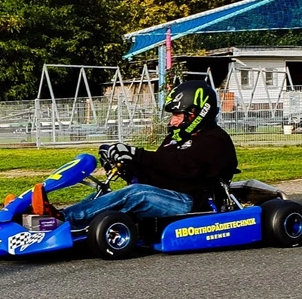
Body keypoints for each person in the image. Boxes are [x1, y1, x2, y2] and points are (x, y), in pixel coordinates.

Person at [31, 79, 238, 230]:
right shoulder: (175, 139)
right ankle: (42, 217)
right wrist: (126, 166)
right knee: (105, 191)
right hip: (167, 195)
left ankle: (62, 220)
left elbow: (183, 167)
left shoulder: (215, 140)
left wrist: (136, 155)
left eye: (177, 115)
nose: (172, 121)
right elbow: (158, 171)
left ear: (195, 113)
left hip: (192, 202)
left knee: (136, 193)